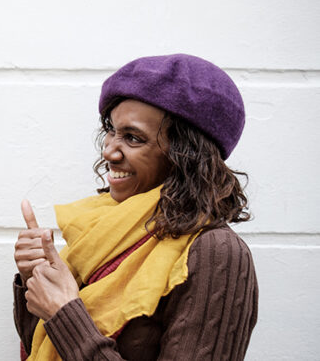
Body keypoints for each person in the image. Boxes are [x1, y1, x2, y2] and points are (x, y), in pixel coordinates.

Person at [13, 54, 258, 360]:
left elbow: (69, 331)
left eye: (132, 138)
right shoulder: (102, 229)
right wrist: (32, 279)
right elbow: (47, 347)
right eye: (111, 132)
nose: (109, 151)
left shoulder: (215, 251)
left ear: (187, 156)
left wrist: (64, 314)